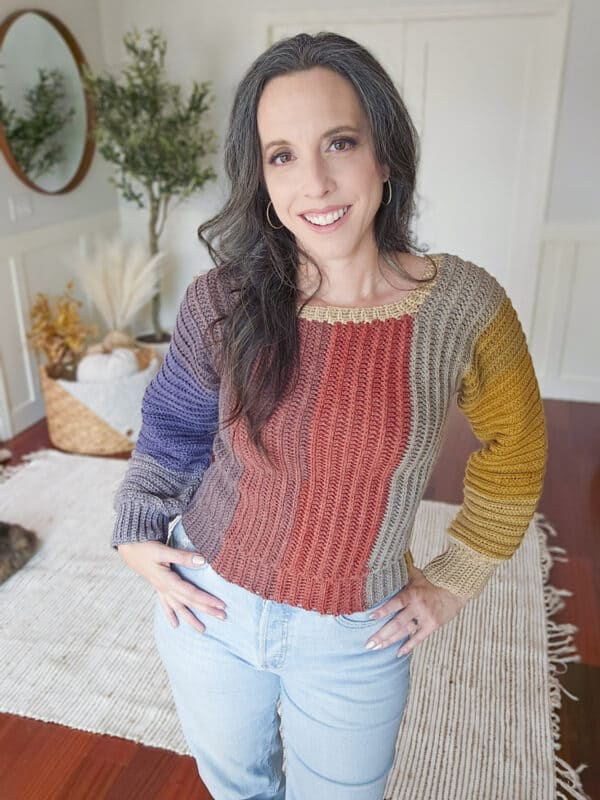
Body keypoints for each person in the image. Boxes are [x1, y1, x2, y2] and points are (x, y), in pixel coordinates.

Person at [111, 31, 547, 800]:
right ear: (261, 176)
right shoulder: (224, 298)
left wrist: (455, 578)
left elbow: (516, 452)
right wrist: (136, 531)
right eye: (281, 155)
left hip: (357, 634)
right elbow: (173, 430)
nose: (314, 182)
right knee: (238, 788)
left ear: (385, 153)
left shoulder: (462, 309)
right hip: (208, 605)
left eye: (339, 143)